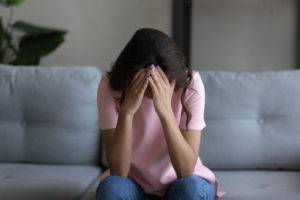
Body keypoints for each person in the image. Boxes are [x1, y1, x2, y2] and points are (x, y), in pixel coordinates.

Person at [96, 28, 226, 200]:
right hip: (132, 183)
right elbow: (118, 171)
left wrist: (165, 111)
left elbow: (186, 170)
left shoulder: (190, 84)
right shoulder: (110, 85)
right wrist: (127, 112)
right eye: (143, 81)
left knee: (191, 190)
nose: (151, 89)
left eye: (159, 81)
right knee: (112, 189)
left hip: (181, 182)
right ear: (129, 74)